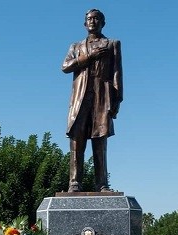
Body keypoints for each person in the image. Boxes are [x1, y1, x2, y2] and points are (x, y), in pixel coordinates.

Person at [62, 8, 122, 192]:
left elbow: (117, 73)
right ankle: (74, 182)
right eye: (89, 18)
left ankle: (102, 184)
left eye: (97, 18)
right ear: (84, 23)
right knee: (76, 141)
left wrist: (117, 100)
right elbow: (65, 66)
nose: (93, 21)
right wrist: (89, 57)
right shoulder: (76, 46)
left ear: (103, 22)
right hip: (79, 99)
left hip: (102, 97)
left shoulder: (111, 44)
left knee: (100, 142)